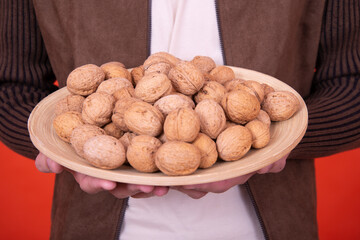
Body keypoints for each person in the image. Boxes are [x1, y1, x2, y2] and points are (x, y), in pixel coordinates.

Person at [1, 0, 359, 239]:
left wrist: (280, 139)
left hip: (268, 226)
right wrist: (64, 149)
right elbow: (10, 85)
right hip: (91, 223)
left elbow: (352, 82)